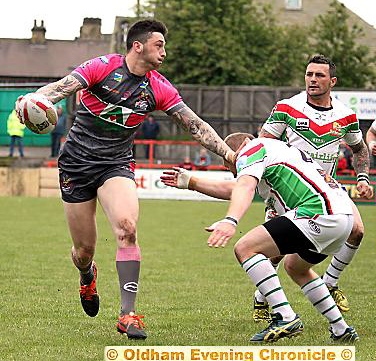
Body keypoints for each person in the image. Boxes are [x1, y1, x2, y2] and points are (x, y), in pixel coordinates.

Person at [15, 19, 235, 340]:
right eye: (159, 45)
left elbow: (195, 125)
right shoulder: (101, 68)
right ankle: (87, 274)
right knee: (83, 251)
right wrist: (36, 100)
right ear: (138, 46)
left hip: (115, 165)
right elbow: (60, 88)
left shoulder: (159, 87)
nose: (164, 51)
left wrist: (229, 155)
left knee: (127, 229)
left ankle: (128, 314)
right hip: (76, 165)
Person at [161, 133, 360, 343]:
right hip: (342, 219)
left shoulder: (252, 149)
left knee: (245, 248)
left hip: (317, 212)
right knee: (296, 268)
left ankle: (285, 317)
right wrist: (192, 182)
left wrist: (231, 220)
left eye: (231, 166)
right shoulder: (275, 151)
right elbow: (237, 187)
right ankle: (341, 329)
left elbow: (244, 186)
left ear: (235, 153)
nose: (234, 171)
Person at [253, 54, 373, 320]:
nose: (313, 80)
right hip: (288, 190)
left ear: (332, 81)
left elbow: (359, 148)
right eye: (309, 75)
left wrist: (363, 177)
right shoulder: (287, 108)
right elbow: (263, 144)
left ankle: (330, 283)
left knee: (357, 231)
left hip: (327, 190)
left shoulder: (345, 115)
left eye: (319, 75)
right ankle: (262, 298)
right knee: (275, 251)